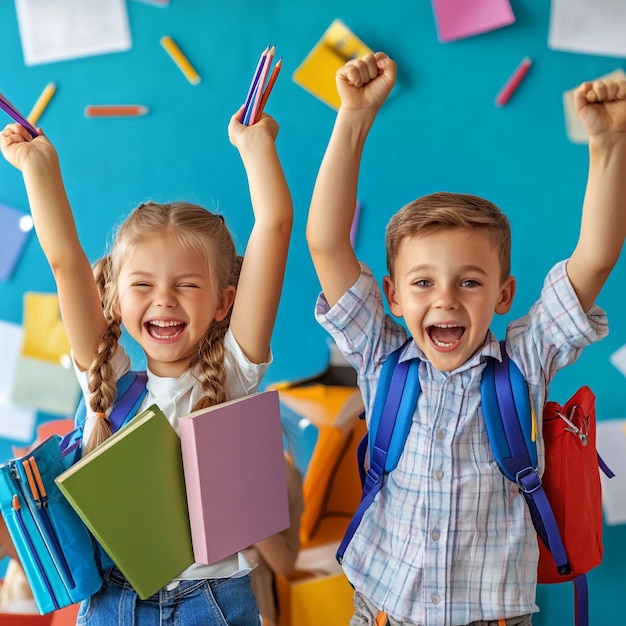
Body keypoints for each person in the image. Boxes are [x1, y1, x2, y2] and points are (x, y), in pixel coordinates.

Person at [305, 51, 626, 626]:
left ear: (504, 297)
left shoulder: (523, 367)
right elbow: (326, 243)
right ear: (394, 297)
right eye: (423, 282)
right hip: (382, 613)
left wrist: (610, 146)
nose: (446, 299)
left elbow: (596, 259)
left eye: (470, 282)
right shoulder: (382, 362)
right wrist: (352, 117)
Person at [0, 101, 293, 626]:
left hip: (214, 601)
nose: (164, 300)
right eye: (143, 285)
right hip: (113, 602)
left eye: (186, 285)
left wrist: (257, 149)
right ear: (113, 295)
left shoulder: (233, 372)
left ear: (225, 302)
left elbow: (274, 227)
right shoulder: (103, 377)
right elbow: (66, 262)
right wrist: (39, 170)